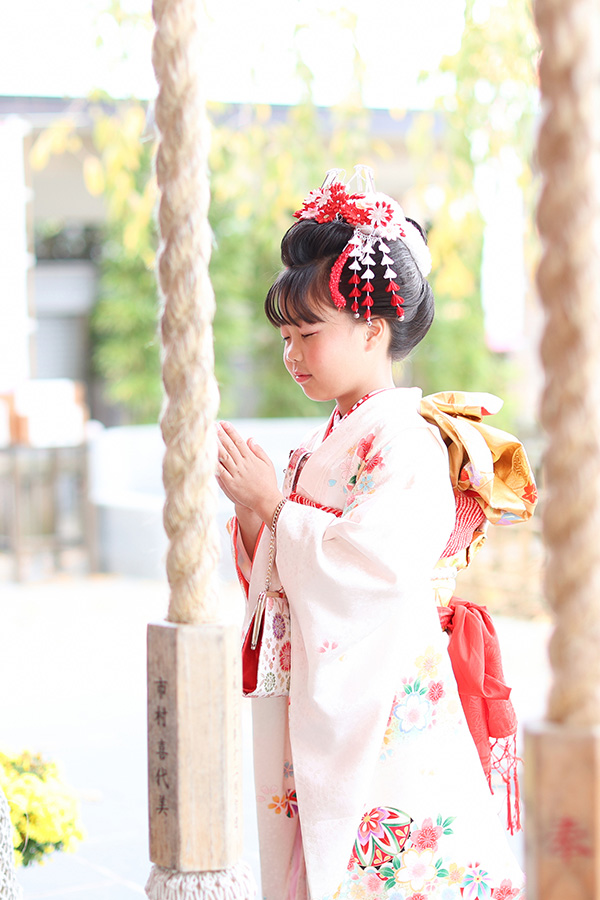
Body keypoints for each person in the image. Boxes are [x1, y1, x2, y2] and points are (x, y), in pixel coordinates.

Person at [216, 166, 537, 900]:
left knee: (386, 857)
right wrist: (257, 515)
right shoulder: (332, 438)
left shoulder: (404, 442)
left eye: (308, 333)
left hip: (386, 689)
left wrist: (276, 508)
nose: (291, 353)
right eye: (285, 336)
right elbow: (287, 567)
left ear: (372, 328)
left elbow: (376, 569)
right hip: (330, 682)